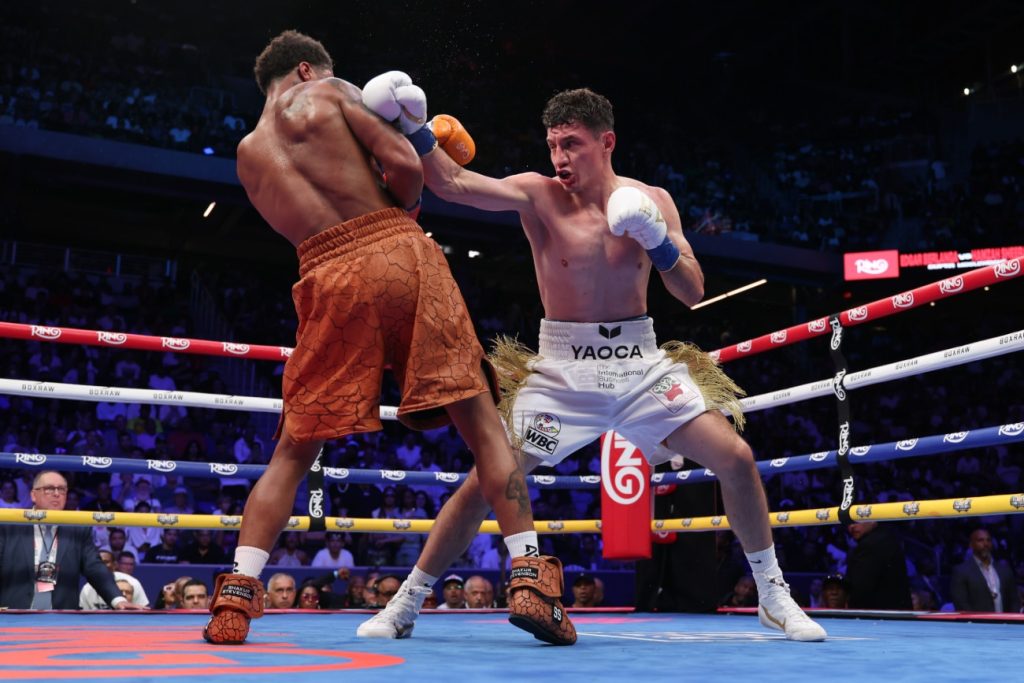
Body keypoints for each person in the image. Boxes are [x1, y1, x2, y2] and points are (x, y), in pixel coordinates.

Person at [358, 87, 825, 642]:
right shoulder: (538, 194)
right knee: (486, 481)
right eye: (553, 145)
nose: (560, 158)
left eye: (572, 144)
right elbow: (453, 183)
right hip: (560, 372)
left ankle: (773, 595)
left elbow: (693, 291)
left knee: (737, 457)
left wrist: (658, 242)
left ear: (606, 142)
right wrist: (415, 127)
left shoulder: (652, 199)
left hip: (640, 364)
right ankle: (406, 602)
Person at [204, 30, 571, 647]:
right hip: (396, 249)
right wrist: (402, 200)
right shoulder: (329, 91)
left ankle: (235, 599)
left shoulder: (246, 155)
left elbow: (303, 225)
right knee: (482, 424)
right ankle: (532, 580)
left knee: (293, 450)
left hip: (324, 275)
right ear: (306, 69)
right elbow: (405, 168)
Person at [0, 470, 144, 610]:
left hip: (61, 616)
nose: (56, 494)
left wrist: (118, 600)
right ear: (33, 495)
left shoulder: (77, 529)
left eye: (62, 489)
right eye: (49, 489)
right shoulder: (10, 525)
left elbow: (94, 567)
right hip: (14, 614)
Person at [950, 528, 1021, 613]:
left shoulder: (1004, 570)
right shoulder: (961, 571)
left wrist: (1011, 619)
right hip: (976, 621)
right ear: (971, 545)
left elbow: (1014, 600)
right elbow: (961, 604)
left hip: (1004, 621)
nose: (985, 544)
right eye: (980, 540)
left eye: (988, 540)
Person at [844, 522, 912, 610]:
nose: (851, 526)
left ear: (873, 521)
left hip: (879, 613)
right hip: (894, 612)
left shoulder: (870, 544)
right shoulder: (887, 538)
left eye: (856, 521)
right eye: (849, 523)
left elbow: (860, 589)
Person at [79, 548, 149, 609]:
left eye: (105, 562)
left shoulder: (133, 583)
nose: (100, 566)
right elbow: (84, 615)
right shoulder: (87, 588)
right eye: (97, 563)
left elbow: (142, 609)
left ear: (114, 565)